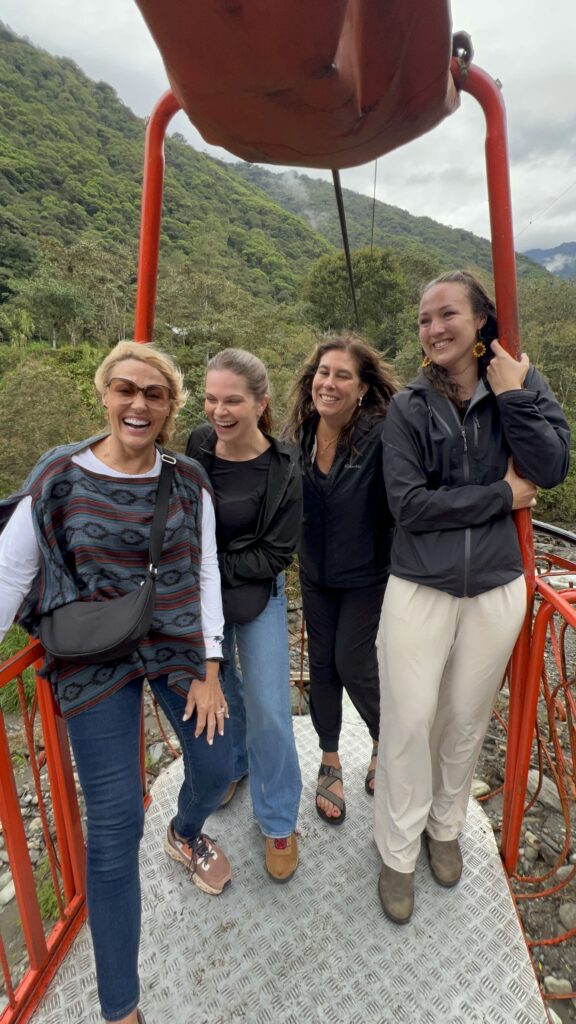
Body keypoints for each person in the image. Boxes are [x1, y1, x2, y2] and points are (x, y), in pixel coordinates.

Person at [0, 341, 235, 1024]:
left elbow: (206, 570)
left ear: (170, 407)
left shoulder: (188, 479)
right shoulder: (59, 475)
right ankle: (120, 1008)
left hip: (175, 643)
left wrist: (211, 668)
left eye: (154, 394)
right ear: (104, 393)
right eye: (125, 389)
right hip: (93, 654)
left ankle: (185, 830)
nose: (138, 404)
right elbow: (12, 573)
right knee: (114, 825)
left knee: (217, 765)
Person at [375, 270, 571, 924]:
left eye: (447, 314)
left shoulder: (523, 382)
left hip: (496, 585)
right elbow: (408, 507)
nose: (433, 329)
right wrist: (500, 496)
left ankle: (445, 826)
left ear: (481, 319)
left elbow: (551, 467)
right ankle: (397, 850)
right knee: (409, 719)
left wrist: (513, 396)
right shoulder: (409, 406)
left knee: (464, 718)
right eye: (424, 319)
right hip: (419, 584)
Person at [186, 348, 302, 881]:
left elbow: (277, 553)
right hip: (205, 595)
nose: (219, 411)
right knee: (223, 683)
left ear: (261, 403)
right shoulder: (199, 445)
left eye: (232, 401)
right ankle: (235, 763)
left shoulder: (284, 466)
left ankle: (277, 818)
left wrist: (211, 569)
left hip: (257, 592)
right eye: (211, 399)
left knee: (270, 704)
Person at [285, 334, 398, 824]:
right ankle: (329, 757)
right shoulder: (302, 432)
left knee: (352, 661)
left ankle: (385, 740)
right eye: (323, 373)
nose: (328, 383)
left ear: (363, 388)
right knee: (323, 664)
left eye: (342, 375)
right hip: (315, 571)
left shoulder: (383, 432)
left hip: (367, 572)